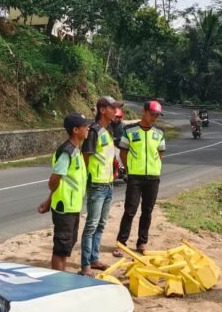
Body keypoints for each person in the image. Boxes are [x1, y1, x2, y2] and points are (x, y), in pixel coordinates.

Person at [38, 112, 90, 271]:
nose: (88, 128)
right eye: (84, 126)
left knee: (67, 245)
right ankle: (58, 279)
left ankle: (62, 274)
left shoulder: (76, 150)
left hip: (72, 206)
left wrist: (48, 201)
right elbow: (54, 180)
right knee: (61, 247)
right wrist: (51, 200)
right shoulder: (67, 152)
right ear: (75, 130)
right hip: (65, 207)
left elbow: (62, 182)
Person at [79, 95, 124, 276]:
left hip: (108, 184)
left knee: (101, 224)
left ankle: (94, 259)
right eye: (112, 108)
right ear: (102, 110)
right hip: (96, 185)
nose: (116, 111)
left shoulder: (108, 131)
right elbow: (85, 159)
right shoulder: (94, 132)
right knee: (91, 225)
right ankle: (85, 266)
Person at [114, 100, 166, 255]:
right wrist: (129, 168)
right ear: (143, 112)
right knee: (130, 210)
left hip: (153, 177)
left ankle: (142, 242)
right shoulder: (129, 130)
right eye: (152, 114)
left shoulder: (160, 132)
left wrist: (153, 166)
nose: (154, 118)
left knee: (147, 211)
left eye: (157, 115)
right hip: (135, 177)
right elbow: (123, 151)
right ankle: (121, 243)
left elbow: (160, 153)